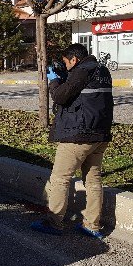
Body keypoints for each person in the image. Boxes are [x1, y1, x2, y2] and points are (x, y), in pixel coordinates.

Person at [31, 43, 113, 239]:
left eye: (67, 63)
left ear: (75, 60)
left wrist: (53, 81)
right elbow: (81, 95)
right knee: (93, 180)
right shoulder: (102, 70)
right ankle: (92, 225)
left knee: (60, 178)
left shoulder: (82, 71)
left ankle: (54, 222)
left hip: (79, 136)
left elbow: (60, 96)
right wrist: (64, 77)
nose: (66, 66)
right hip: (100, 134)